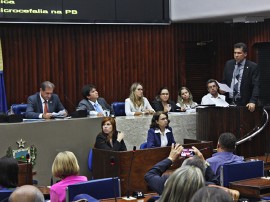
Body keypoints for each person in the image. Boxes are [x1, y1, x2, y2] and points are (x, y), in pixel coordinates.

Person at [144, 144, 219, 195]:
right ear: (201, 173)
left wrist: (170, 159)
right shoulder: (207, 187)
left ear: (182, 168)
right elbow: (215, 182)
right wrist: (203, 161)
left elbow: (150, 175)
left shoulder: (168, 183)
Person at [222, 42, 260, 112]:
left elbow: (256, 85)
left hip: (246, 103)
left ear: (245, 54)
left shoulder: (253, 66)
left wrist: (253, 101)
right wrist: (221, 89)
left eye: (239, 53)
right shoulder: (228, 64)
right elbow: (224, 81)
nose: (236, 55)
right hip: (229, 102)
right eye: (235, 53)